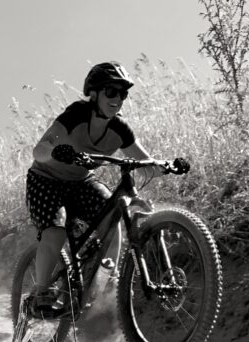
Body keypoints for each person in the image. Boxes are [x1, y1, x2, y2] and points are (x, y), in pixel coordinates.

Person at [26, 61, 169, 316]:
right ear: (94, 93)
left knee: (113, 221)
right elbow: (39, 149)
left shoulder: (119, 129)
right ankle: (41, 293)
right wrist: (56, 150)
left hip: (81, 182)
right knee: (56, 232)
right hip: (45, 178)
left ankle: (102, 282)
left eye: (122, 94)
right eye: (111, 92)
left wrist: (166, 165)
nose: (118, 99)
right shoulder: (76, 115)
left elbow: (146, 164)